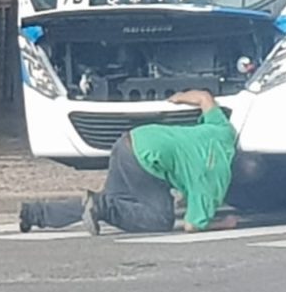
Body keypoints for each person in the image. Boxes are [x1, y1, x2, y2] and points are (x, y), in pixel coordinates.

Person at [19, 90, 239, 235]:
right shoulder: (214, 181)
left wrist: (180, 96)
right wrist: (223, 223)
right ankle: (101, 207)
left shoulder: (224, 131)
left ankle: (34, 213)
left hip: (130, 140)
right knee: (159, 220)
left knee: (107, 202)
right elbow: (192, 225)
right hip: (146, 159)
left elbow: (204, 97)